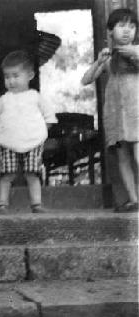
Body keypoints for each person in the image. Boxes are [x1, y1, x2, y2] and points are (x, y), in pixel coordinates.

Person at [81, 8, 138, 213]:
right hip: (116, 115)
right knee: (123, 158)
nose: (127, 31)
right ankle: (133, 199)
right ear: (110, 31)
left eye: (131, 27)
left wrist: (134, 53)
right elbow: (86, 80)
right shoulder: (108, 57)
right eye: (121, 26)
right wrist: (99, 61)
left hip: (136, 113)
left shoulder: (137, 50)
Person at [0, 50, 57, 214]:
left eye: (15, 75)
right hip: (9, 144)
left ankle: (36, 205)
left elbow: (50, 118)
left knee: (32, 174)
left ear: (30, 75)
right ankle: (2, 205)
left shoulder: (36, 97)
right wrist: (5, 131)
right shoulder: (4, 100)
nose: (11, 81)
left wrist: (38, 133)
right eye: (7, 77)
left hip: (33, 142)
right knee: (7, 175)